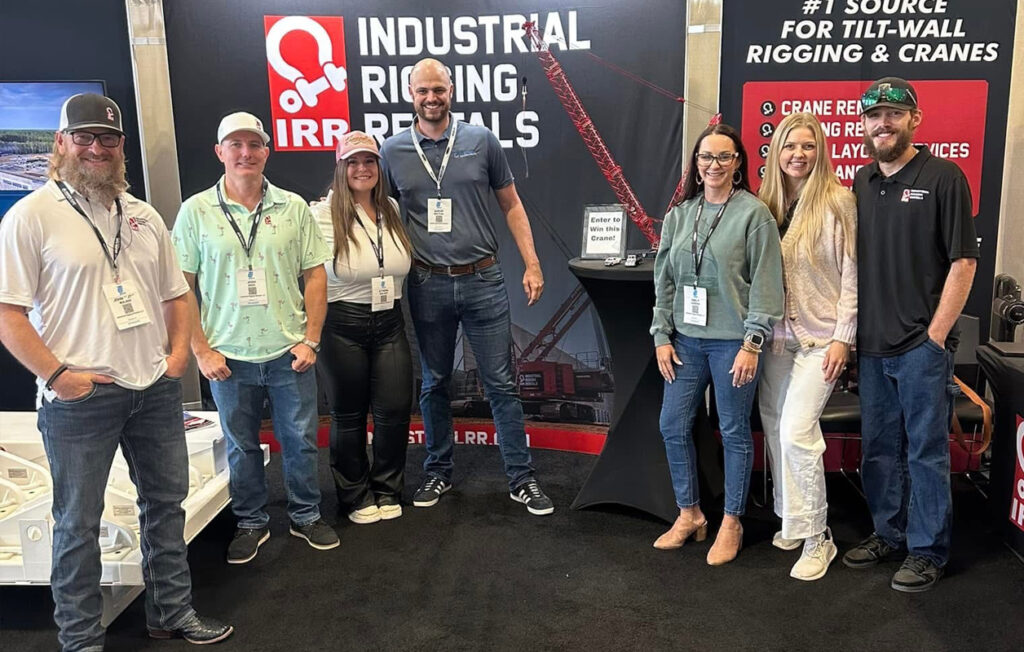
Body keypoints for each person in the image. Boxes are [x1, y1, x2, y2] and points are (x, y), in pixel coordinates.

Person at [0, 93, 232, 649]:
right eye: (83, 137)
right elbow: (8, 314)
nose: (96, 148)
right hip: (80, 398)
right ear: (61, 143)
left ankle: (170, 612)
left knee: (165, 506)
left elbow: (176, 295)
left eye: (107, 138)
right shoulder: (31, 216)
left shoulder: (142, 216)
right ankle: (81, 639)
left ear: (121, 146)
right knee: (77, 523)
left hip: (152, 388)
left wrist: (178, 357)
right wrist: (59, 377)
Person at [379, 58, 553, 515]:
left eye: (438, 89)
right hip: (426, 283)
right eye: (422, 91)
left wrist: (532, 264)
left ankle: (521, 479)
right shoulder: (392, 151)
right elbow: (377, 214)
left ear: (451, 90)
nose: (431, 98)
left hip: (483, 279)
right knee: (434, 382)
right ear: (410, 94)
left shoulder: (481, 141)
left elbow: (512, 205)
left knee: (501, 384)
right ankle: (438, 472)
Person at [172, 111, 338, 564]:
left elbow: (315, 276)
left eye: (254, 145)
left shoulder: (293, 207)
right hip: (227, 357)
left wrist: (311, 339)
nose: (245, 153)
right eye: (236, 145)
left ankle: (306, 515)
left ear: (266, 151)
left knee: (301, 440)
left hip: (289, 352)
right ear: (219, 152)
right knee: (241, 446)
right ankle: (250, 521)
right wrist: (201, 350)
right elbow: (181, 287)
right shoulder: (196, 211)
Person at [843, 77, 978, 592]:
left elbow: (964, 262)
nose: (883, 123)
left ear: (914, 120)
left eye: (894, 114)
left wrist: (935, 336)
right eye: (874, 115)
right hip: (872, 347)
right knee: (879, 450)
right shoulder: (860, 182)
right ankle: (889, 533)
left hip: (922, 346)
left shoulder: (944, 177)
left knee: (925, 453)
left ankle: (927, 551)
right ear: (864, 124)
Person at [650, 123, 784, 565]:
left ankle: (731, 521)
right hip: (686, 342)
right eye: (706, 156)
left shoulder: (754, 215)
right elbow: (665, 282)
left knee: (733, 431)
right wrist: (661, 335)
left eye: (724, 156)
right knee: (672, 425)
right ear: (696, 163)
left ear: (738, 162)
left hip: (733, 344)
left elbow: (766, 284)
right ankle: (690, 514)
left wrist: (752, 342)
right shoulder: (679, 216)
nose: (714, 164)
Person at [757, 112, 857, 581]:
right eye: (790, 145)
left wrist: (844, 337)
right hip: (775, 341)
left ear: (821, 151)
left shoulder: (839, 202)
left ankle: (819, 535)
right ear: (776, 151)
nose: (798, 154)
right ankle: (792, 520)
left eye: (808, 146)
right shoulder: (765, 204)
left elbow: (853, 273)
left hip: (821, 340)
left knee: (797, 432)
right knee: (775, 426)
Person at [310, 131, 413, 524]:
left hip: (390, 321)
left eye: (369, 161)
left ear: (379, 167)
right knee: (348, 415)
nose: (362, 168)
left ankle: (387, 488)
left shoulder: (391, 209)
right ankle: (354, 495)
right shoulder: (322, 214)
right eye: (352, 162)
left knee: (394, 410)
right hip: (342, 322)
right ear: (341, 167)